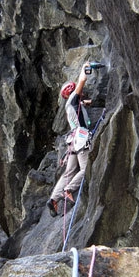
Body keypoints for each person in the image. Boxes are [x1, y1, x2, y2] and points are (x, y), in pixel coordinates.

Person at [47, 62, 93, 217]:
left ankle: (54, 199)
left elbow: (84, 103)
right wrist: (84, 70)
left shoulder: (72, 105)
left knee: (69, 172)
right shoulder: (73, 100)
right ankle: (69, 189)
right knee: (85, 169)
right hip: (81, 138)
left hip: (73, 140)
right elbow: (81, 82)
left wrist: (86, 102)